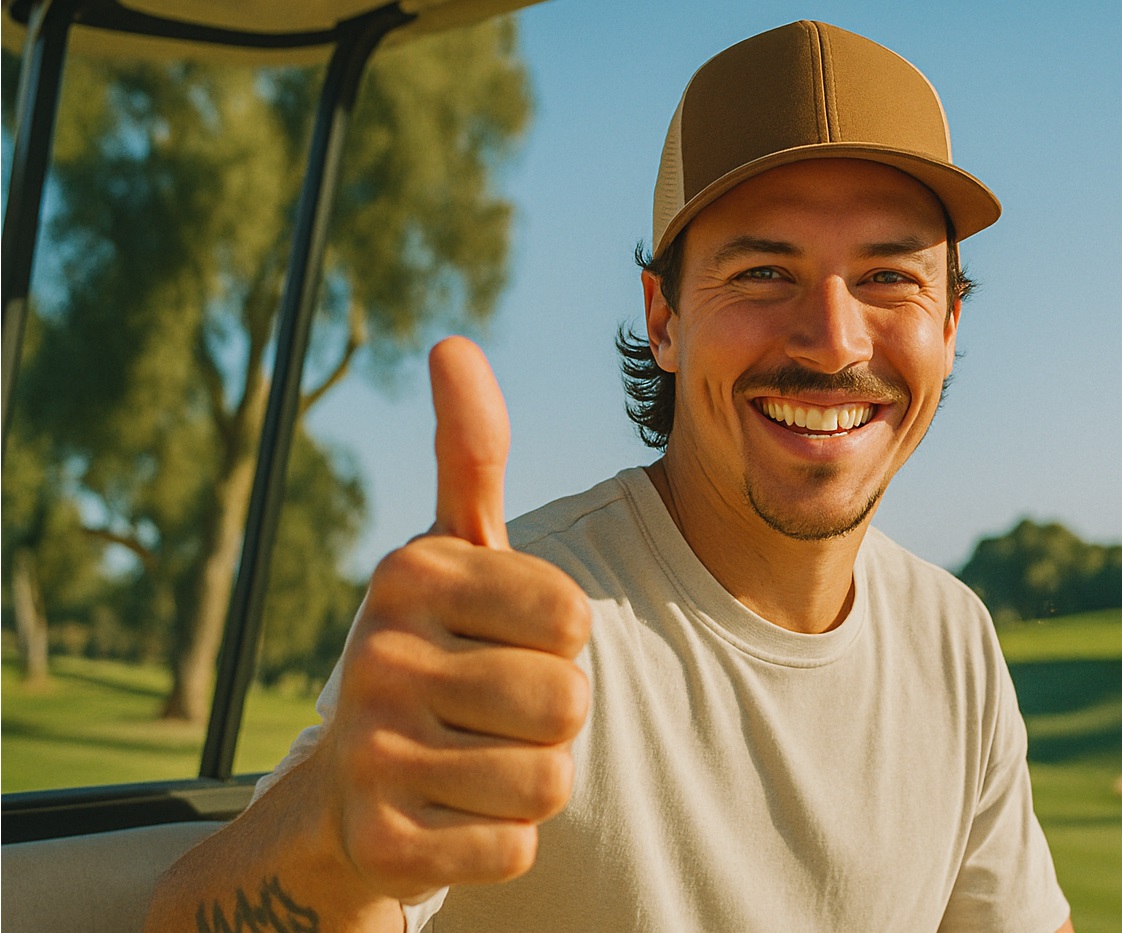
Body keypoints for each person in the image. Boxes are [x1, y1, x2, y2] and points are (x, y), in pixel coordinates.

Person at [146, 20, 1074, 933]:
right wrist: (337, 832)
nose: (832, 339)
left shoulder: (955, 641)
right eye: (761, 271)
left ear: (949, 326)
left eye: (888, 277)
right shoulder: (516, 623)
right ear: (664, 319)